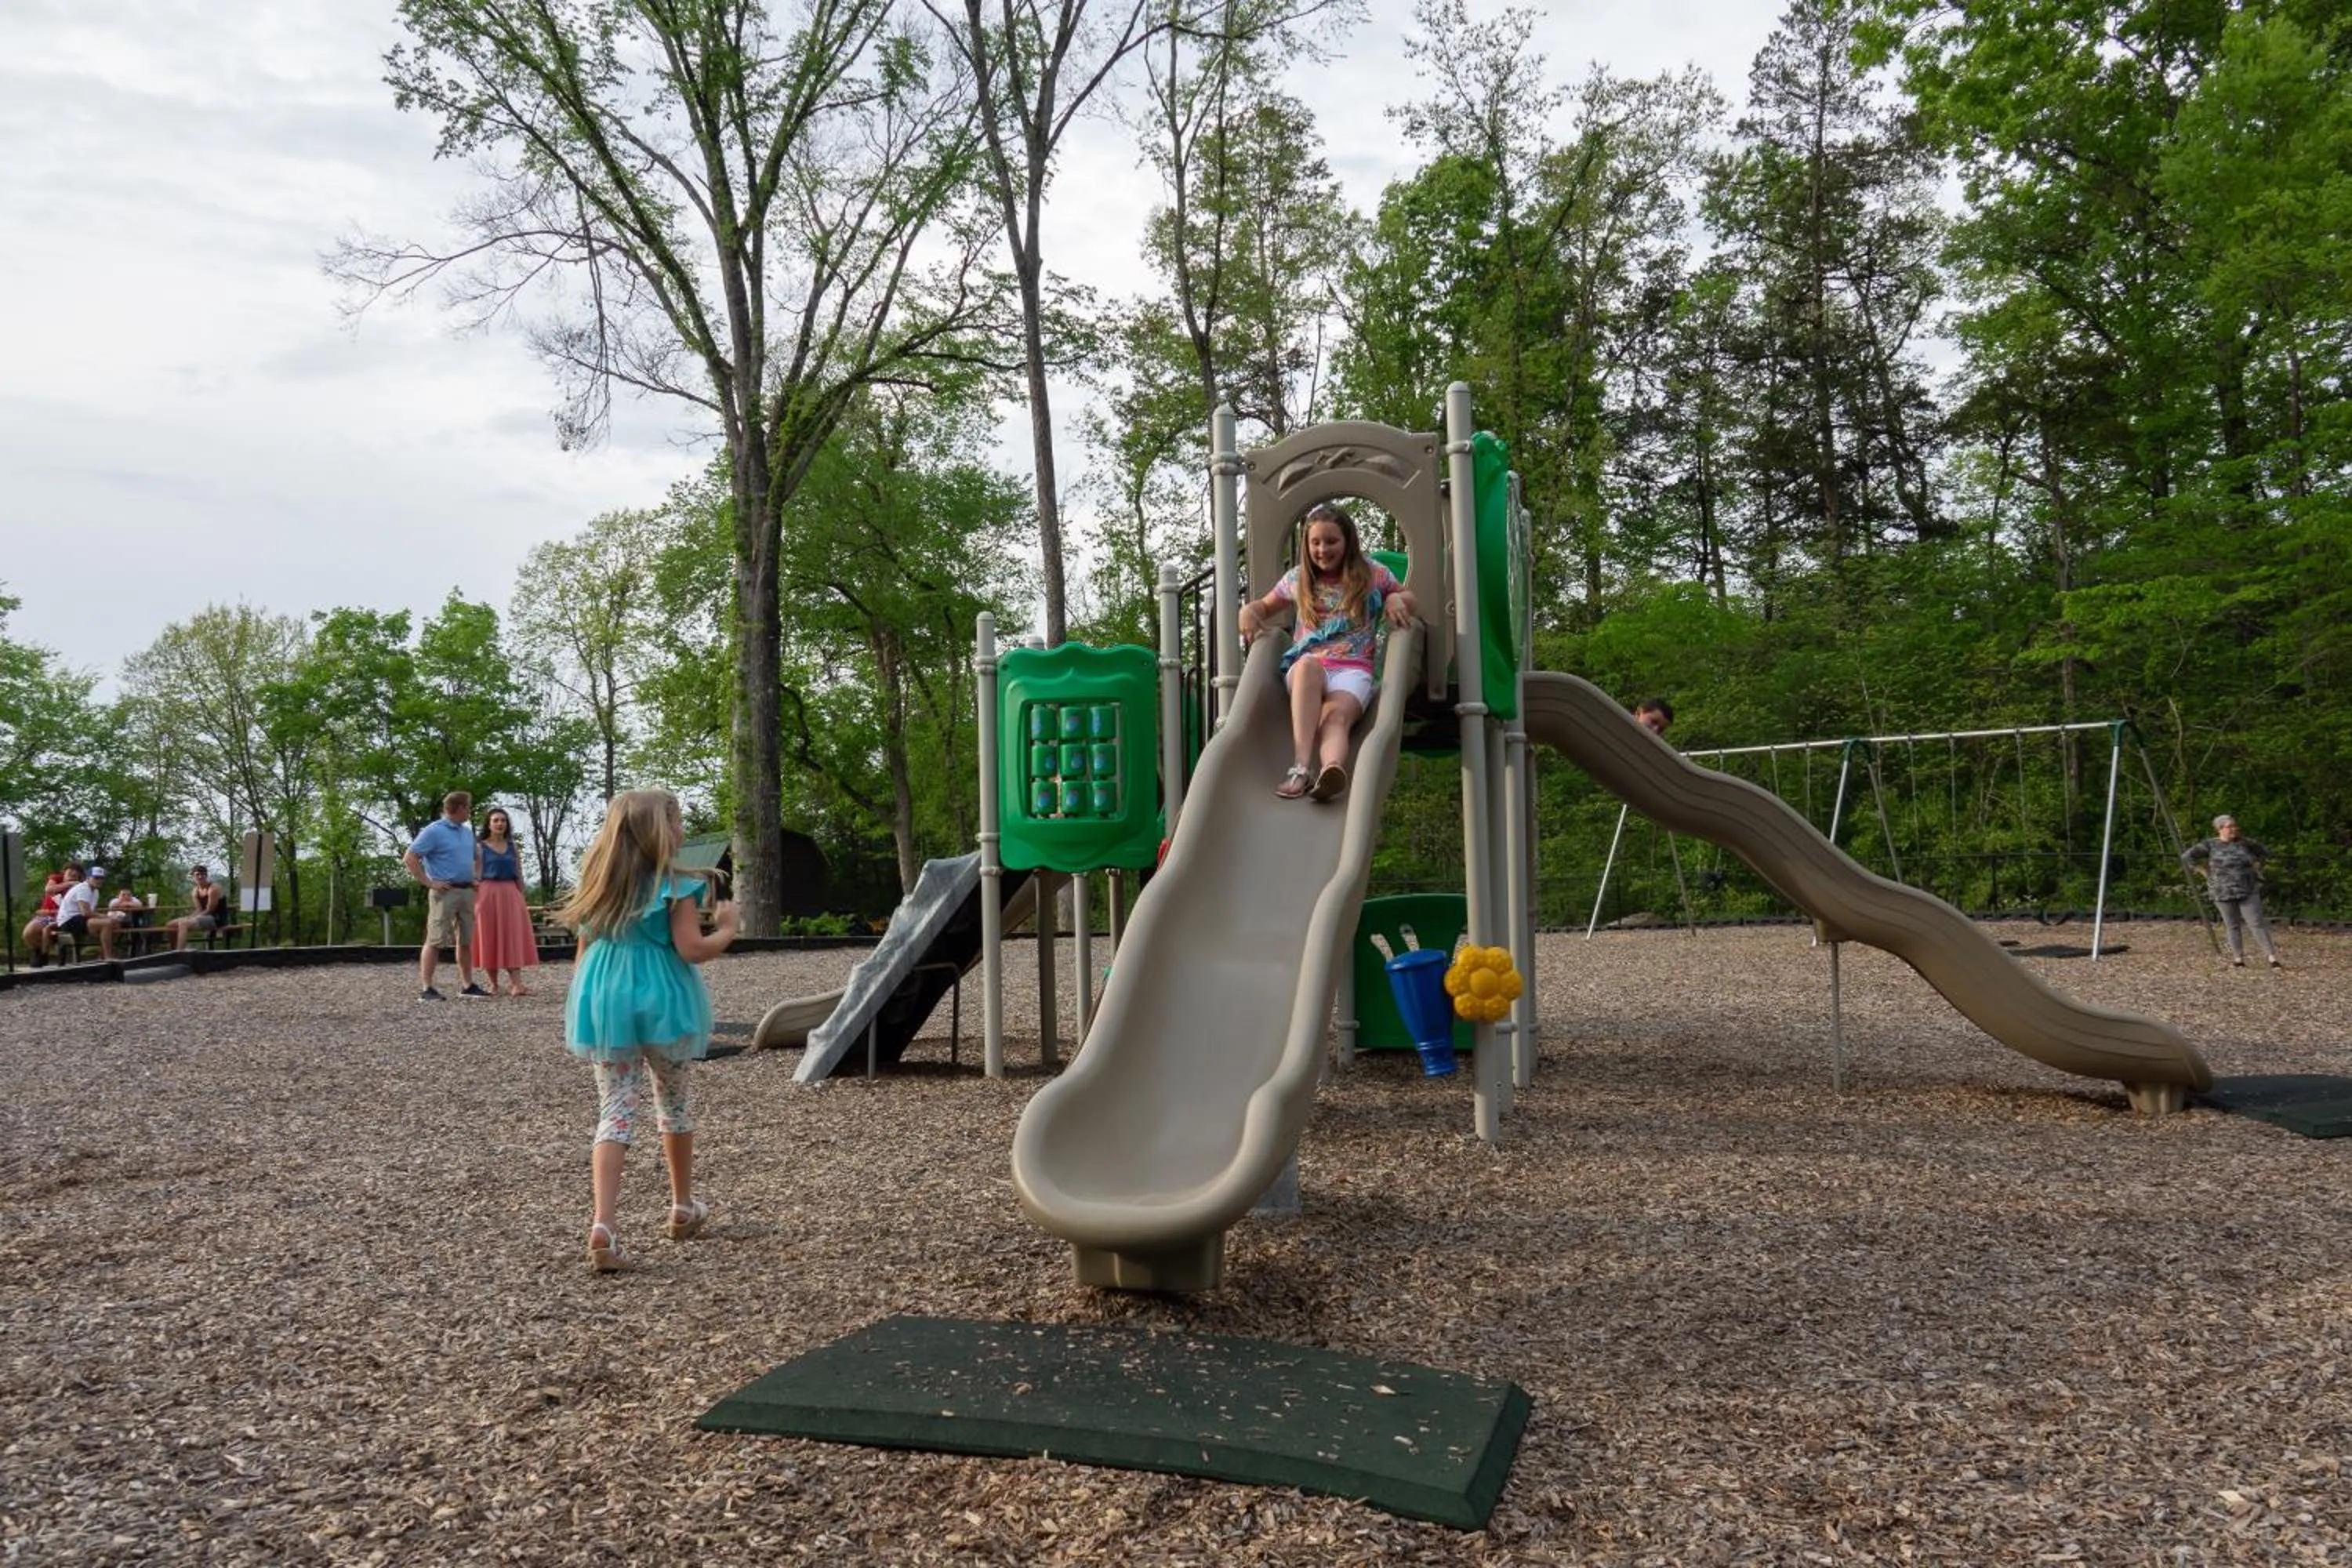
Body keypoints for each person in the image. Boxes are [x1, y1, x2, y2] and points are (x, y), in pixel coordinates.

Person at [557, 789, 739, 1272]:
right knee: (673, 1102)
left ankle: (604, 1223)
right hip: (664, 1001)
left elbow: (582, 955)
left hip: (606, 999)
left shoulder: (598, 884)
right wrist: (727, 928)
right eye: (677, 822)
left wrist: (591, 999)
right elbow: (692, 950)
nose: (682, 831)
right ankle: (681, 1205)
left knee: (615, 1108)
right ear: (659, 829)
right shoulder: (676, 884)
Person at [1236, 501, 1421, 802]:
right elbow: (1265, 606)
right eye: (1316, 542)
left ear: (1348, 541)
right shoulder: (1298, 579)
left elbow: (1408, 597)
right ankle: (1301, 767)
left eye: (1331, 541)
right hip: (1310, 668)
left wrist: (1396, 601)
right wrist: (1248, 612)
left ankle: (1331, 770)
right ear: (1307, 545)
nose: (1323, 549)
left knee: (1334, 718)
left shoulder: (1372, 574)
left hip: (1353, 670)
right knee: (1308, 665)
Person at [402, 790, 487, 1001]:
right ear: (459, 808)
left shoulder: (467, 832)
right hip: (444, 892)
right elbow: (410, 857)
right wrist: (429, 883)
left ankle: (467, 985)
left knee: (466, 939)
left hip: (467, 891)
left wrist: (477, 877)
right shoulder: (434, 831)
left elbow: (479, 856)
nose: (470, 811)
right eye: (468, 807)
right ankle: (427, 988)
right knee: (435, 939)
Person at [2182, 814, 2281, 969]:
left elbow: (2265, 852)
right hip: (2222, 891)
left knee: (2256, 923)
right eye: (2230, 827)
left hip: (2247, 889)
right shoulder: (2210, 845)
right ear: (2220, 829)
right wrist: (2202, 871)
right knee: (2232, 925)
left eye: (2235, 826)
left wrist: (2257, 866)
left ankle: (2272, 957)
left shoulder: (2245, 843)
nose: (2234, 829)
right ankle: (2238, 958)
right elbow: (2188, 857)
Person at [472, 806, 539, 997]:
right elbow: (475, 874)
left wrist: (521, 895)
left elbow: (519, 872)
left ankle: (516, 984)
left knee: (512, 937)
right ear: (489, 824)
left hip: (510, 893)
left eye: (503, 820)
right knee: (489, 936)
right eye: (496, 820)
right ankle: (493, 984)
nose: (500, 823)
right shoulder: (480, 847)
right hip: (487, 893)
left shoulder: (512, 846)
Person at [53, 866, 118, 961]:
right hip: (68, 920)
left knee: (115, 924)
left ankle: (102, 955)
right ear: (88, 878)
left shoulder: (95, 891)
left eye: (101, 878)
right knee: (107, 923)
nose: (99, 881)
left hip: (79, 918)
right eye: (96, 878)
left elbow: (89, 912)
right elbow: (86, 912)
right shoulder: (83, 888)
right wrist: (106, 916)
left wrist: (110, 918)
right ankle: (108, 957)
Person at [166, 866, 230, 952]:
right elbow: (199, 910)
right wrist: (189, 917)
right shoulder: (195, 891)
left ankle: (180, 952)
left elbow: (210, 909)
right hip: (204, 916)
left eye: (203, 874)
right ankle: (173, 950)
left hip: (217, 918)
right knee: (170, 924)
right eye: (198, 875)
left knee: (184, 924)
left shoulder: (213, 889)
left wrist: (192, 919)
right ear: (193, 877)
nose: (201, 877)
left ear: (207, 876)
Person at [22, 866, 71, 967]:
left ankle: (42, 956)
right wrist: (69, 883)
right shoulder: (57, 878)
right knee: (28, 933)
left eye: (77, 873)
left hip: (62, 918)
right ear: (64, 873)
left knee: (47, 931)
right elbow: (49, 889)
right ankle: (38, 950)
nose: (73, 874)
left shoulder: (80, 888)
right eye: (70, 871)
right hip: (46, 916)